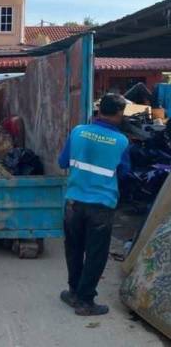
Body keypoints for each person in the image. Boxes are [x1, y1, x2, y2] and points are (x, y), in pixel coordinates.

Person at [58, 93, 131, 316]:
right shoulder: (121, 141)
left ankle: (73, 292)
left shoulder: (78, 132)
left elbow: (63, 162)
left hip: (73, 203)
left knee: (74, 249)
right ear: (119, 114)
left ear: (99, 111)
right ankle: (85, 301)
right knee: (96, 254)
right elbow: (125, 174)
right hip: (101, 206)